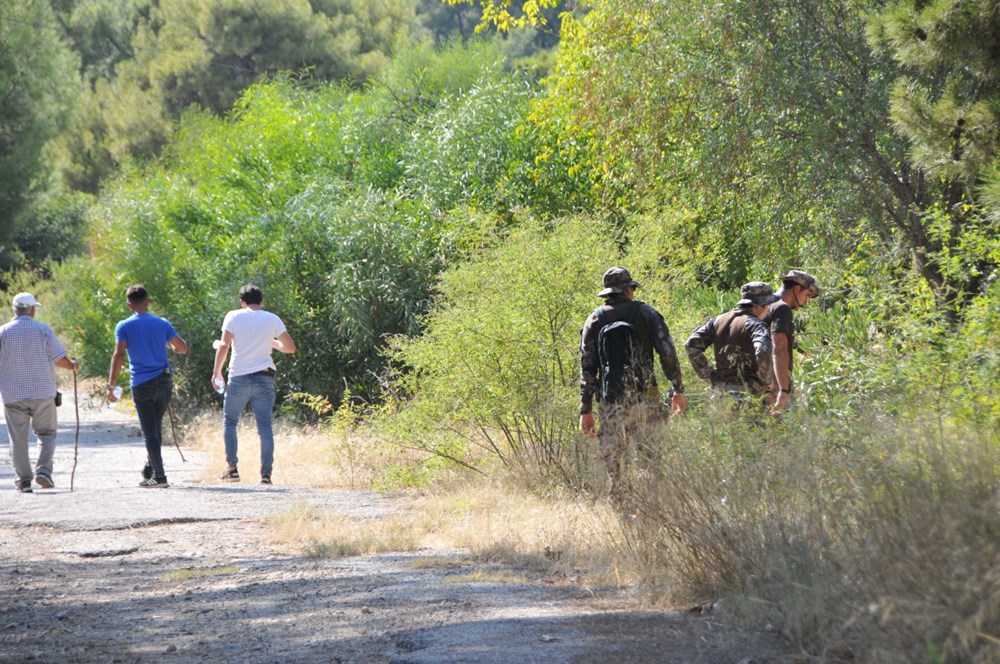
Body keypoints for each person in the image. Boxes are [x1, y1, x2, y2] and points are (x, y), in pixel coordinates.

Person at [579, 267, 686, 493]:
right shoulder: (647, 314)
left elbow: (587, 369)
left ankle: (622, 509)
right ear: (629, 290)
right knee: (651, 458)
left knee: (615, 465)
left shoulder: (594, 320)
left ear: (608, 292)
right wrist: (678, 389)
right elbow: (667, 354)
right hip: (647, 395)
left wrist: (585, 410)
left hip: (611, 400)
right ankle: (652, 504)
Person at [212, 284, 296, 485]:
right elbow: (291, 348)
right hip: (264, 378)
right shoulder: (272, 319)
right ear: (261, 301)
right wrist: (273, 343)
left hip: (239, 377)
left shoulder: (233, 316)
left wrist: (217, 372)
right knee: (265, 427)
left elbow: (223, 345)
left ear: (242, 302)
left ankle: (232, 469)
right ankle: (266, 476)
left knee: (230, 422)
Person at [107, 285, 189, 488]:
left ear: (129, 304)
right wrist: (169, 345)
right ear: (148, 301)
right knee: (155, 427)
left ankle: (160, 476)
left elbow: (118, 355)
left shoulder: (124, 326)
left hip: (142, 383)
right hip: (164, 381)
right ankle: (151, 468)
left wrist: (111, 385)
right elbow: (182, 348)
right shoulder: (162, 323)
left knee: (149, 431)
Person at [0, 293, 79, 493]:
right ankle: (43, 472)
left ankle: (24, 481)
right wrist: (72, 366)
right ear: (33, 310)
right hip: (43, 393)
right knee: (47, 433)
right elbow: (59, 358)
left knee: (17, 439)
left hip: (13, 395)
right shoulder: (43, 330)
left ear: (14, 309)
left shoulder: (2, 333)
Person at [685, 281, 776, 400]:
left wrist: (710, 375)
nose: (769, 309)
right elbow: (763, 350)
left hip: (720, 394)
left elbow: (691, 345)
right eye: (768, 304)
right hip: (748, 396)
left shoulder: (718, 321)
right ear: (758, 306)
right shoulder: (756, 325)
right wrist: (766, 381)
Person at [764, 270, 819, 412]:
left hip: (758, 381)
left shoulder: (764, 304)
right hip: (775, 382)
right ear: (797, 289)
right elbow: (779, 349)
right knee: (782, 428)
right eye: (806, 295)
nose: (805, 302)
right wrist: (783, 390)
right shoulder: (782, 308)